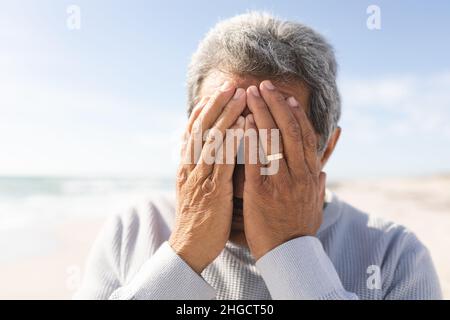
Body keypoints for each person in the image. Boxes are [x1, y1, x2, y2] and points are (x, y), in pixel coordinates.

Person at [74, 12, 441, 300]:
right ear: (190, 137)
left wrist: (291, 254)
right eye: (221, 139)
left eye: (269, 149)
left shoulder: (394, 256)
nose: (238, 186)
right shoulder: (136, 229)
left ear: (325, 149)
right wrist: (184, 252)